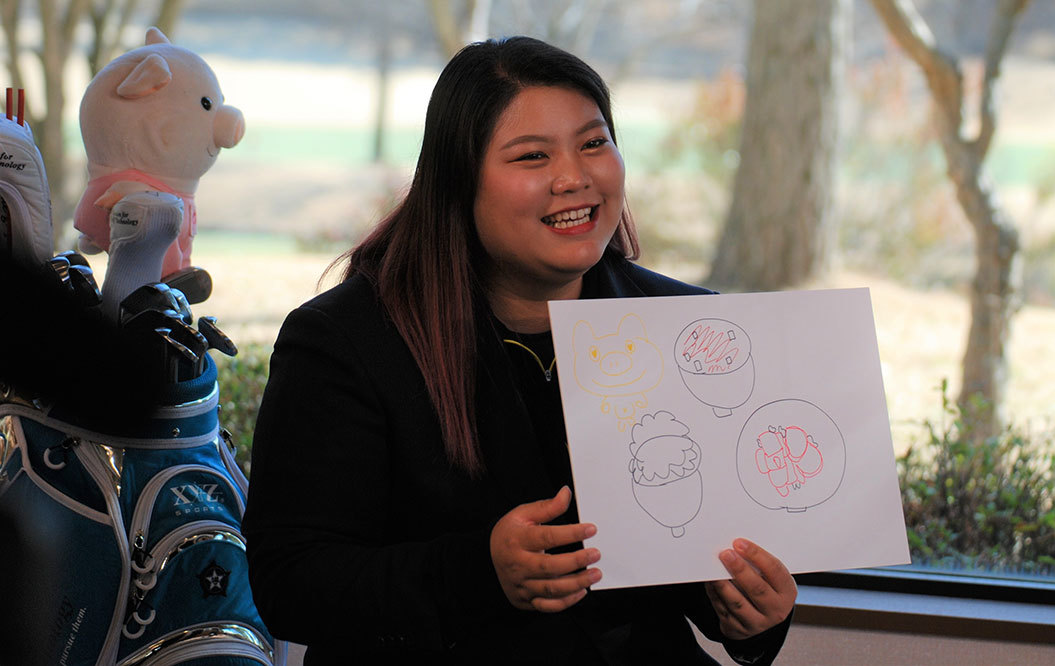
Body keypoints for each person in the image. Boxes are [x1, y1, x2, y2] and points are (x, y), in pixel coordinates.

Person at [242, 36, 795, 665]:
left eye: (594, 143)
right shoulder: (346, 340)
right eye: (533, 156)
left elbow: (700, 560)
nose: (574, 178)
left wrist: (749, 615)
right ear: (458, 182)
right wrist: (479, 573)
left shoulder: (687, 329)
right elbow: (289, 582)